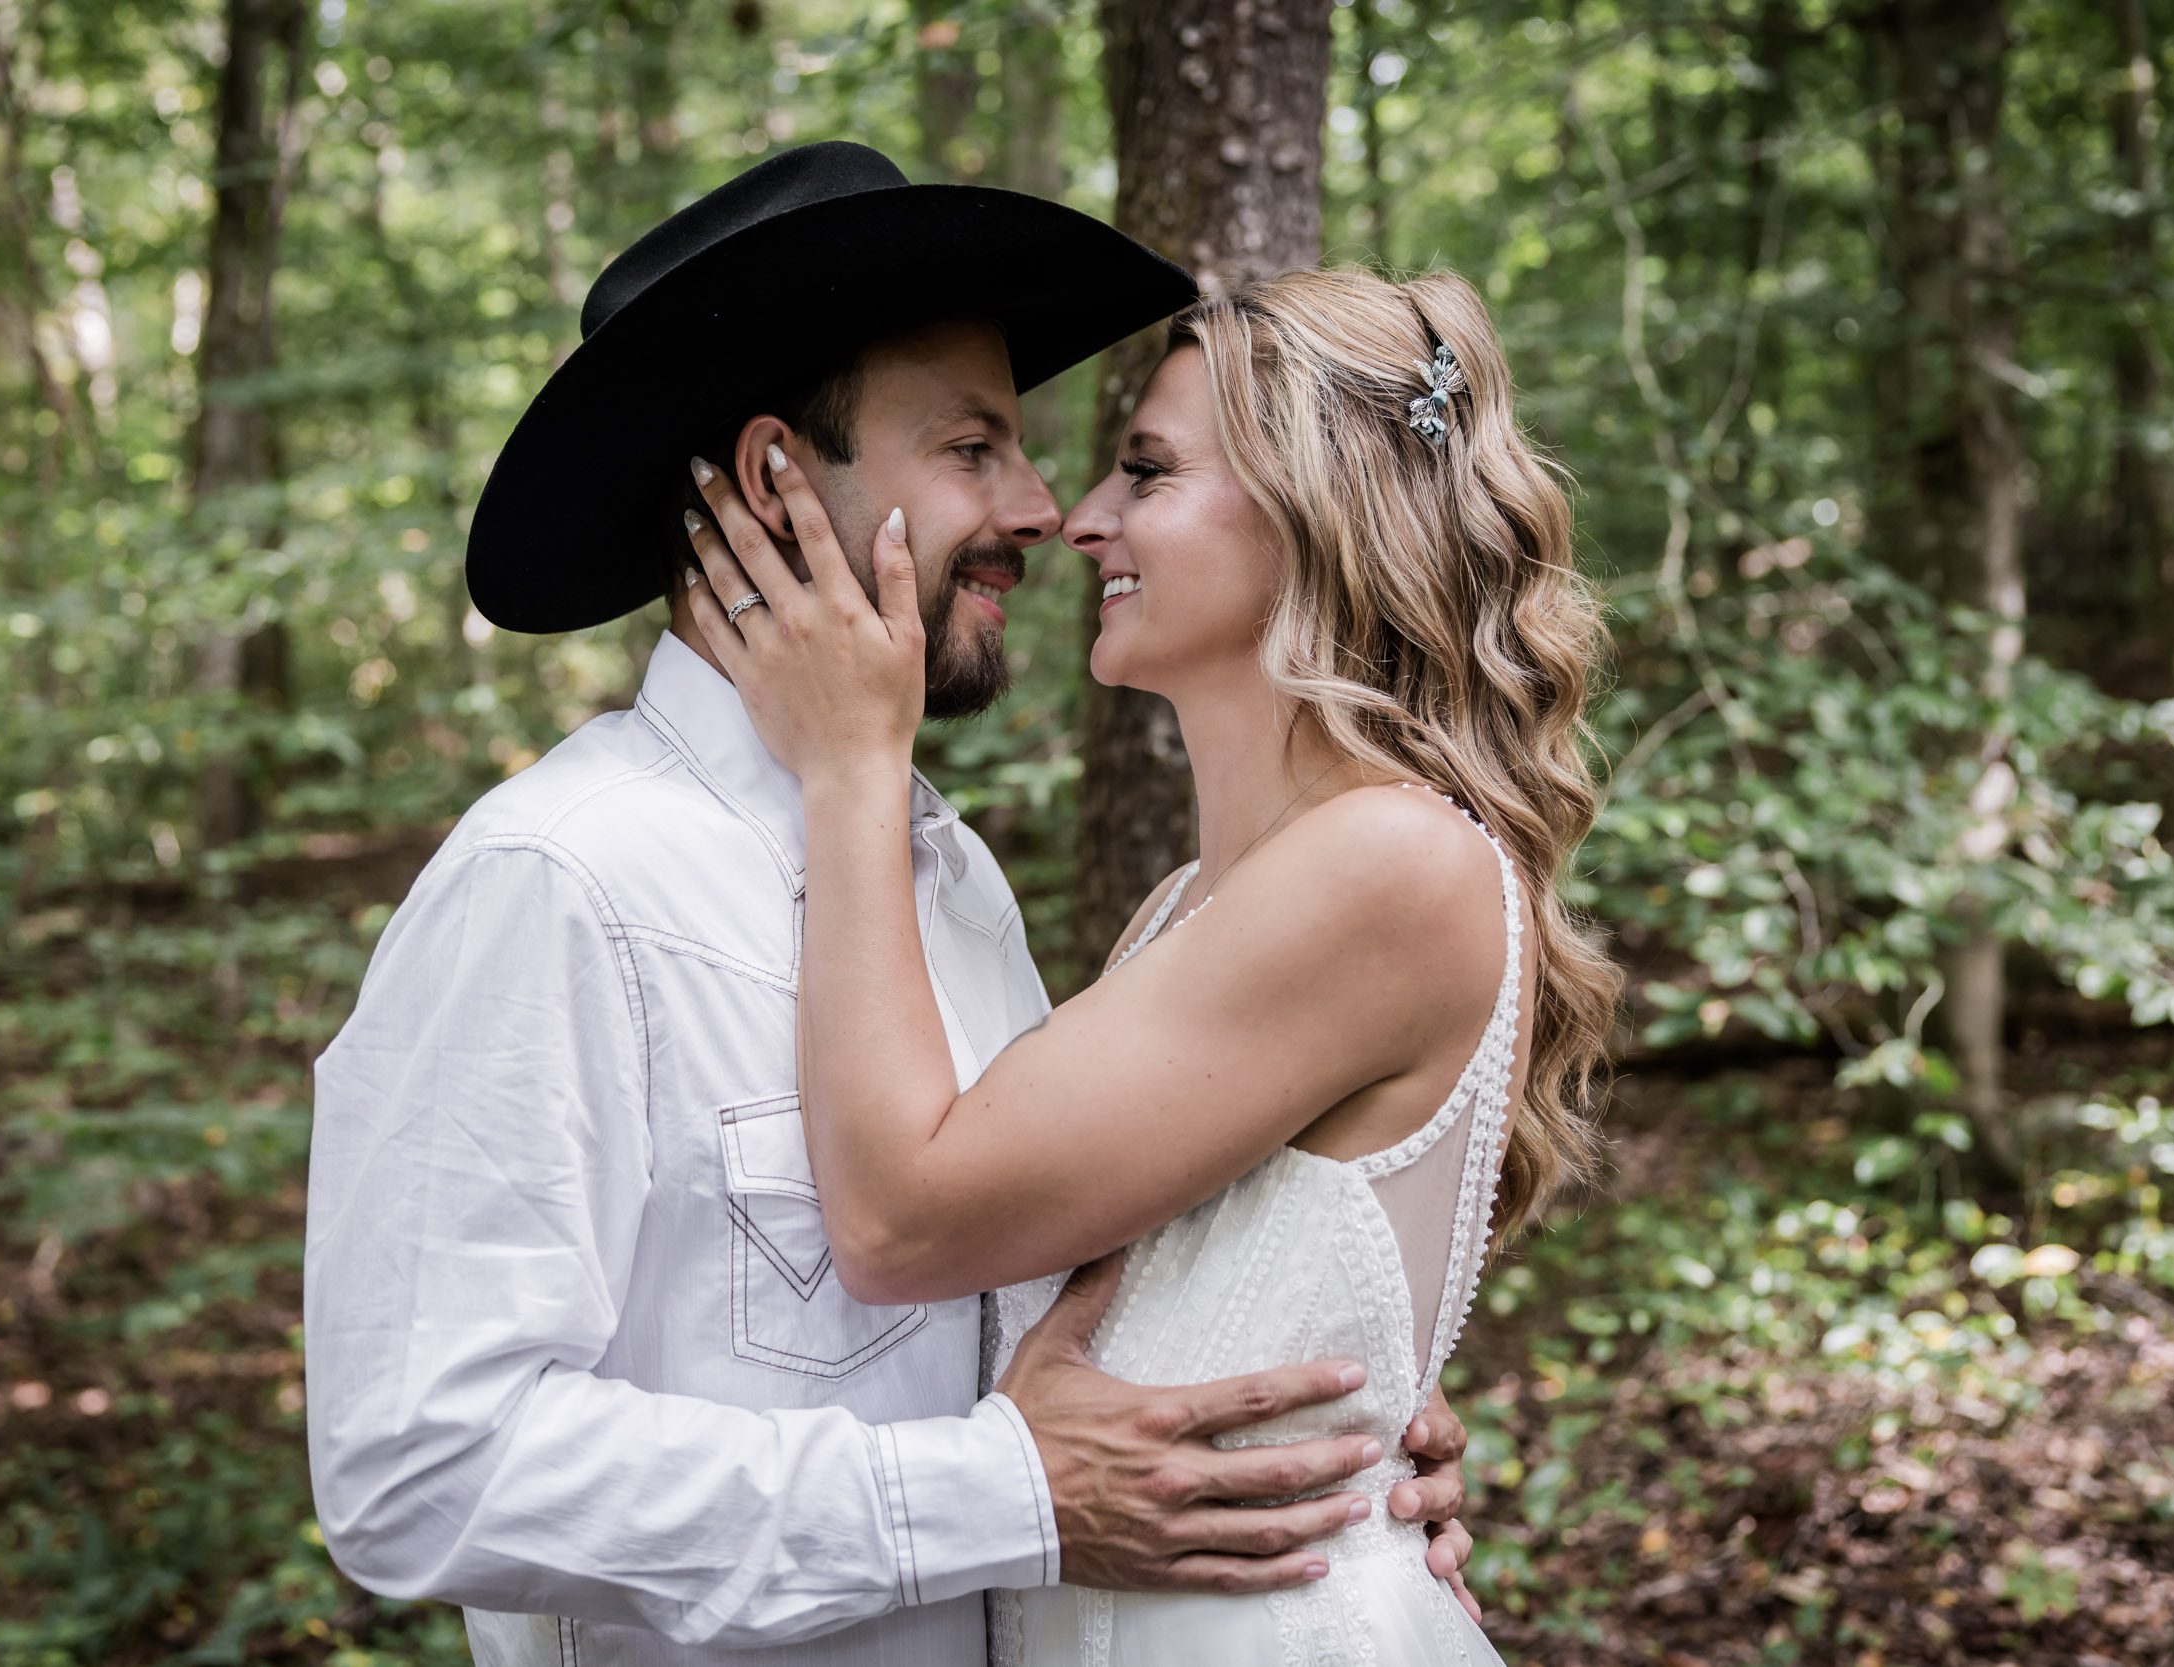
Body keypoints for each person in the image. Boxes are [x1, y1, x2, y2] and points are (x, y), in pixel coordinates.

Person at [301, 142, 1477, 1667]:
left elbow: (1063, 1293)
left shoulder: (950, 880)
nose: (1045, 509)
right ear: (779, 479)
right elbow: (418, 1469)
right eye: (977, 449)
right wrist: (997, 1496)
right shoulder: (558, 881)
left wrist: (1328, 1425)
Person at [681, 262, 1620, 1663]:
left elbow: (902, 1220)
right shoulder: (1189, 906)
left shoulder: (1394, 864)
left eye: (1147, 470)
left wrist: (852, 764)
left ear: (1314, 517)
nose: (1082, 518)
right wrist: (1371, 1450)